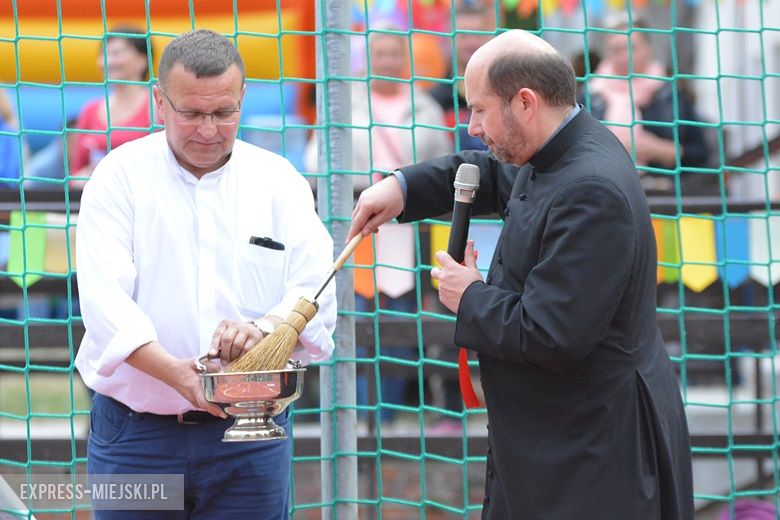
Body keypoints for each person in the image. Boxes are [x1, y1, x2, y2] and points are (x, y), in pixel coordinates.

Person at [348, 29, 693, 519]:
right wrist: (402, 188)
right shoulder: (558, 145)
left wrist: (469, 295)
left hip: (593, 456)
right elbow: (488, 173)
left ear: (526, 103)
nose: (472, 127)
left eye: (480, 109)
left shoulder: (590, 188)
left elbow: (552, 335)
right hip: (560, 442)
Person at [75, 29, 336, 519]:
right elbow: (104, 302)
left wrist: (263, 331)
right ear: (159, 102)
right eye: (191, 113)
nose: (209, 130)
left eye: (223, 112)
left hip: (252, 435)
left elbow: (316, 288)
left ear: (243, 98)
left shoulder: (279, 180)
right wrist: (176, 375)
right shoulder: (118, 176)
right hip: (139, 437)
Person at [306, 28, 450, 426]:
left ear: (404, 58)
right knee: (354, 320)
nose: (386, 60)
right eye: (379, 53)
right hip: (357, 228)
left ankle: (386, 418)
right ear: (367, 58)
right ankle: (354, 416)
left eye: (393, 53)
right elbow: (316, 160)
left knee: (400, 324)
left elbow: (443, 163)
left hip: (407, 232)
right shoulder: (344, 102)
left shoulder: (424, 107)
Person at [586, 20, 709, 193]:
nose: (624, 56)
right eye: (616, 50)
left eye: (631, 47)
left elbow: (701, 153)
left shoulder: (670, 95)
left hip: (663, 194)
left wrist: (661, 150)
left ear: (648, 48)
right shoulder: (592, 95)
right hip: (605, 191)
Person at [69, 26, 155, 185]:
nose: (108, 61)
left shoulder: (156, 105)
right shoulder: (90, 110)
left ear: (142, 60)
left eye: (117, 53)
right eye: (104, 54)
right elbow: (76, 172)